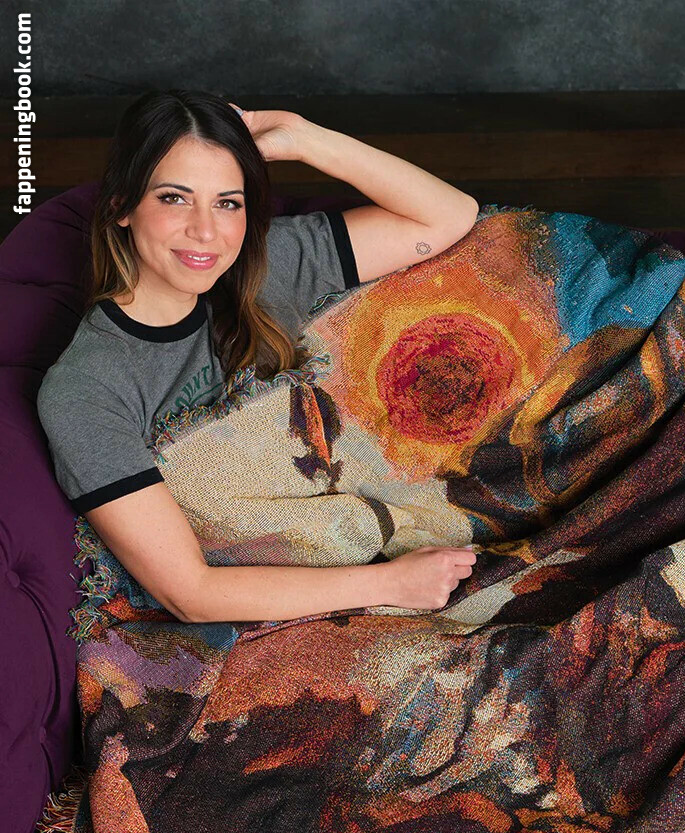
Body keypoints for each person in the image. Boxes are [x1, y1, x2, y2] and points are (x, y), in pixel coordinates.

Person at [36, 88, 479, 623]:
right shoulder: (86, 390)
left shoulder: (267, 265)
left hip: (403, 514)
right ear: (122, 207)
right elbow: (189, 592)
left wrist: (304, 138)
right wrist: (392, 584)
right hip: (293, 601)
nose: (206, 231)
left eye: (228, 203)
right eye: (174, 198)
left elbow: (450, 216)